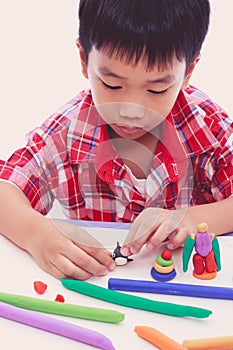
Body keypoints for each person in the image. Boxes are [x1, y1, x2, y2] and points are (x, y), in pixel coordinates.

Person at [0, 0, 232, 280]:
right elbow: (6, 189)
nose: (131, 110)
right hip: (101, 290)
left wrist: (194, 219)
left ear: (188, 73)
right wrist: (35, 233)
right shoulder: (69, 132)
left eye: (157, 89)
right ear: (84, 60)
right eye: (112, 85)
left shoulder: (206, 126)